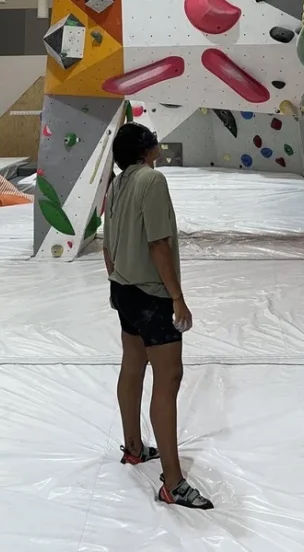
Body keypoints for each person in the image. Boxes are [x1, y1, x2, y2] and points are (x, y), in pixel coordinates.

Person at [102, 122, 214, 511]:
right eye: (155, 146)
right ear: (147, 150)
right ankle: (173, 481)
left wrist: (116, 281)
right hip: (151, 295)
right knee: (169, 379)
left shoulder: (115, 185)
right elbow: (158, 244)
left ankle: (133, 447)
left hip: (124, 288)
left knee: (132, 365)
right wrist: (177, 299)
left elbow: (107, 245)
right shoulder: (152, 180)